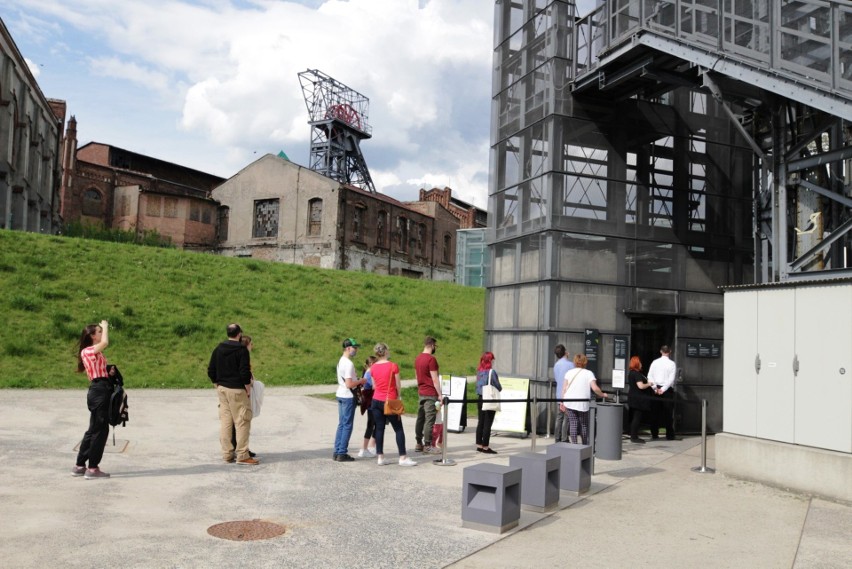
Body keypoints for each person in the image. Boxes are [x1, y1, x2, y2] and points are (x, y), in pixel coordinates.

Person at [208, 323, 257, 465]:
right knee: (242, 421)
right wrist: (247, 388)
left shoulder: (219, 348)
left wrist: (217, 383)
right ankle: (242, 454)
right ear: (239, 334)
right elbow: (244, 372)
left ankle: (227, 454)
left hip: (222, 390)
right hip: (237, 390)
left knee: (226, 422)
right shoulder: (241, 350)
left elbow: (211, 370)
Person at [72, 320, 113, 479]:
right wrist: (106, 326)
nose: (101, 333)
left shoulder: (93, 352)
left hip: (100, 389)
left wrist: (110, 372)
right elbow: (105, 342)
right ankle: (93, 468)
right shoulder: (88, 351)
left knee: (93, 428)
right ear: (92, 336)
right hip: (99, 391)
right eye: (99, 331)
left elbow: (100, 370)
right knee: (100, 430)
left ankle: (80, 465)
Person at [369, 343, 417, 466]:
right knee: (398, 428)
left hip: (376, 400)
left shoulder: (373, 367)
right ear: (385, 352)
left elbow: (374, 386)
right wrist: (398, 397)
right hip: (390, 400)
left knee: (379, 428)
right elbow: (398, 385)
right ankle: (402, 457)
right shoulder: (393, 366)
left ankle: (380, 457)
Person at [560, 354, 609, 444]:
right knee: (584, 425)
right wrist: (603, 394)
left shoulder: (569, 372)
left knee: (573, 424)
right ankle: (584, 445)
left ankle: (574, 445)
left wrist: (562, 402)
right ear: (585, 362)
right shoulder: (588, 373)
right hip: (582, 403)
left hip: (569, 401)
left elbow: (564, 388)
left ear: (575, 362)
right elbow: (595, 388)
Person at [333, 338, 366, 462]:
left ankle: (337, 451)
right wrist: (361, 381)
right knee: (347, 425)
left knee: (341, 424)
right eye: (354, 348)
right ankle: (342, 452)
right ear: (348, 348)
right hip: (347, 396)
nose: (356, 350)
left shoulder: (341, 361)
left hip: (341, 394)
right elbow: (349, 384)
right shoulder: (348, 363)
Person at [229, 335, 257, 459]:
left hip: (231, 392)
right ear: (246, 345)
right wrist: (249, 387)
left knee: (237, 422)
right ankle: (241, 451)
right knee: (242, 422)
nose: (252, 346)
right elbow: (244, 375)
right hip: (240, 392)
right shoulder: (243, 356)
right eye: (251, 344)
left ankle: (236, 449)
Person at [414, 336, 442, 454]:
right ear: (431, 345)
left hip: (421, 392)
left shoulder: (418, 358)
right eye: (435, 346)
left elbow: (416, 376)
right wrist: (440, 394)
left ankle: (418, 443)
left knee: (420, 418)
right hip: (431, 393)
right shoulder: (431, 359)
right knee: (429, 420)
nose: (435, 348)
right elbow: (435, 379)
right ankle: (428, 445)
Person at [647, 345, 677, 440]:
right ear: (670, 351)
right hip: (667, 390)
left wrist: (655, 388)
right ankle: (669, 434)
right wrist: (663, 389)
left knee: (654, 412)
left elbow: (649, 376)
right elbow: (671, 379)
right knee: (668, 413)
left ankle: (654, 433)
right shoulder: (672, 364)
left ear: (661, 351)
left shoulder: (655, 362)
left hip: (655, 389)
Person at [475, 351, 502, 454]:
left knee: (480, 422)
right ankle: (485, 446)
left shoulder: (479, 372)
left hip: (480, 398)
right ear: (490, 360)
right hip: (489, 399)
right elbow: (498, 387)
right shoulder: (492, 372)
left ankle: (479, 444)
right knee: (488, 423)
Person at [627, 355, 652, 444]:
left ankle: (632, 434)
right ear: (637, 363)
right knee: (637, 418)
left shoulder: (631, 373)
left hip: (632, 397)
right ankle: (634, 437)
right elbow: (640, 386)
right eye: (640, 362)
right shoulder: (637, 374)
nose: (641, 364)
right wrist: (649, 384)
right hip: (638, 399)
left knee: (634, 417)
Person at [552, 344, 575, 442]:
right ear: (565, 352)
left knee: (559, 416)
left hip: (559, 393)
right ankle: (564, 438)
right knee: (567, 417)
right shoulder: (570, 365)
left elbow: (557, 379)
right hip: (568, 393)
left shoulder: (556, 364)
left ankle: (557, 437)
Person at [357, 355, 378, 458]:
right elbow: (374, 386)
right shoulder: (369, 374)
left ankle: (371, 446)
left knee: (375, 424)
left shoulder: (368, 372)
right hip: (371, 403)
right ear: (371, 364)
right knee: (371, 425)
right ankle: (364, 448)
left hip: (371, 403)